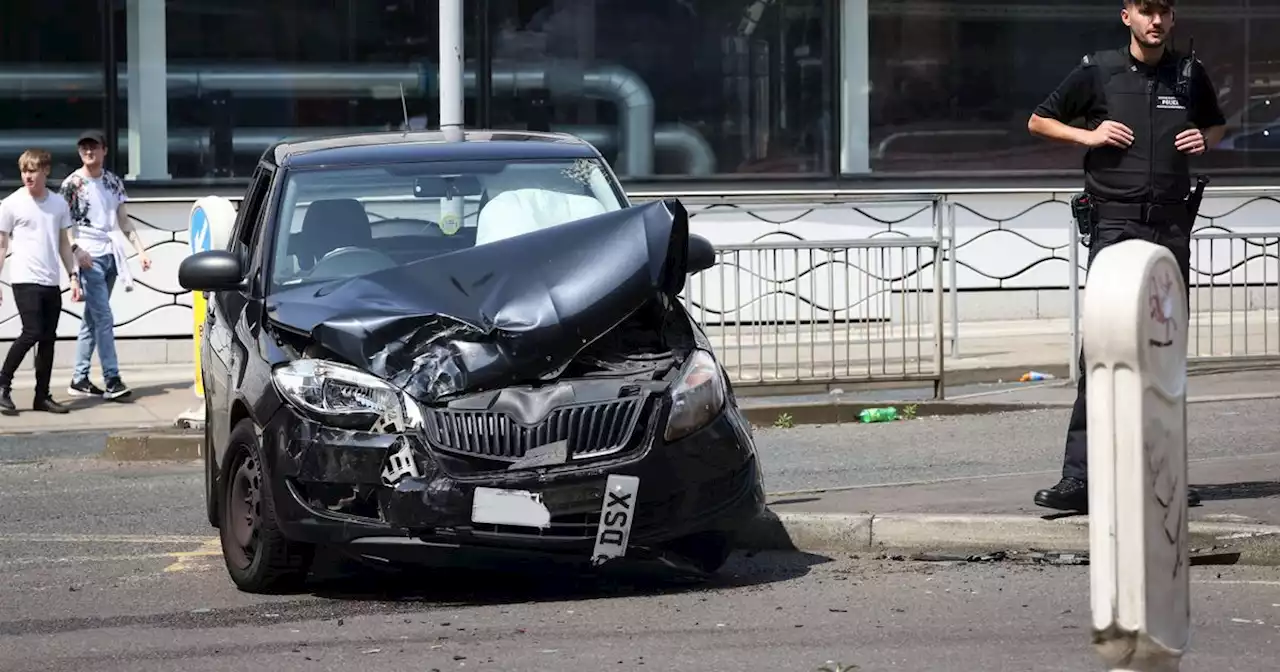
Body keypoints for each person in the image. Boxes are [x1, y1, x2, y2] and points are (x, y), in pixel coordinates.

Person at [1026, 0, 1226, 513]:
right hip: (1115, 223)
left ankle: (1165, 475)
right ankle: (1080, 480)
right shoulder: (1099, 70)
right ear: (1127, 17)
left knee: (1165, 350)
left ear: (1173, 19)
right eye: (1145, 11)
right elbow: (1038, 121)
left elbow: (1216, 126)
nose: (1155, 21)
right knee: (1101, 347)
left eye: (1163, 12)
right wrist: (1088, 135)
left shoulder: (1189, 73)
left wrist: (1204, 138)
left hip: (1171, 225)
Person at [59, 130, 151, 400]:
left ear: (104, 150)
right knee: (104, 318)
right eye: (84, 148)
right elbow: (63, 224)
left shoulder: (112, 182)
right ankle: (112, 378)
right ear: (79, 152)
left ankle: (80, 377)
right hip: (88, 257)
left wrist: (141, 251)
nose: (89, 152)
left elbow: (123, 220)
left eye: (94, 147)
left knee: (92, 319)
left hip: (110, 255)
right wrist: (76, 250)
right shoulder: (72, 184)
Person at [0, 149, 83, 414]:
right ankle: (3, 385)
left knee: (48, 338)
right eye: (24, 171)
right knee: (32, 331)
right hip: (24, 278)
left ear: (45, 171)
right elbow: (1, 246)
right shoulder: (11, 204)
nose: (28, 176)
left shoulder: (58, 204)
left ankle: (42, 396)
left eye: (33, 171)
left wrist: (73, 276)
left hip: (50, 280)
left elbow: (62, 243)